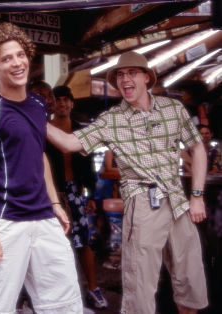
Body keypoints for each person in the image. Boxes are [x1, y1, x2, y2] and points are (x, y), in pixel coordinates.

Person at [47, 51, 208, 314]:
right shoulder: (112, 120)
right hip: (143, 203)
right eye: (120, 75)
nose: (125, 79)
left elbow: (198, 149)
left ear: (146, 77)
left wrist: (198, 195)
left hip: (179, 201)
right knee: (140, 289)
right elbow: (69, 142)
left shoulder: (173, 109)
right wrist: (34, 119)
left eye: (131, 73)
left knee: (189, 281)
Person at [0, 22, 83, 313]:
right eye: (6, 58)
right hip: (5, 223)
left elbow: (39, 155)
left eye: (20, 54)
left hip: (44, 219)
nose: (17, 63)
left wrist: (55, 201)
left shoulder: (36, 103)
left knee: (64, 305)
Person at [45, 85, 108, 310]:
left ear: (72, 103)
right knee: (52, 245)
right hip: (50, 193)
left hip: (75, 191)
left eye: (65, 100)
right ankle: (57, 295)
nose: (62, 104)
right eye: (58, 100)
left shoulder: (81, 131)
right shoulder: (44, 130)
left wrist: (90, 193)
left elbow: (90, 164)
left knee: (83, 241)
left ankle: (92, 288)